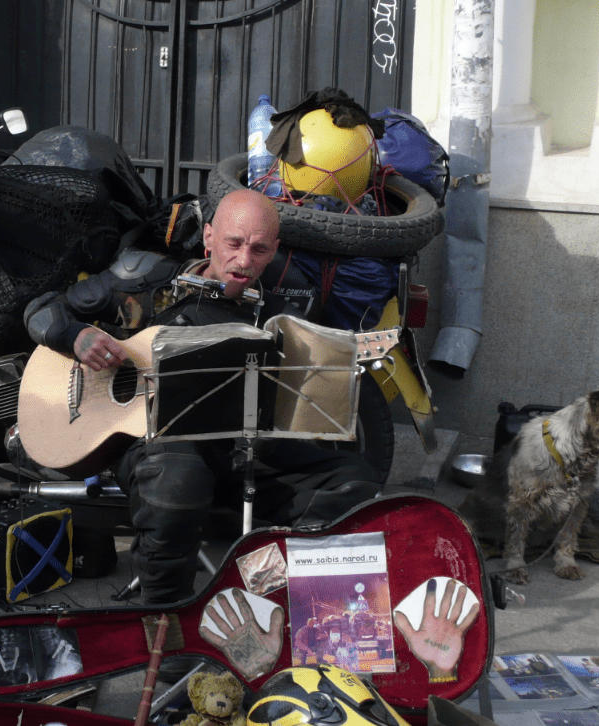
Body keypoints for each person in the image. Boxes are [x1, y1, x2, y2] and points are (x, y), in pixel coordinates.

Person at [24, 189, 382, 604]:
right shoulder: (147, 280)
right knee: (179, 476)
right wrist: (75, 336)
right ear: (209, 237)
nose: (244, 261)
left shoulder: (282, 307)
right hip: (153, 443)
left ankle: (284, 593)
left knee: (354, 481)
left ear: (274, 250)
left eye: (259, 250)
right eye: (234, 243)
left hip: (240, 448)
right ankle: (166, 616)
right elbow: (39, 309)